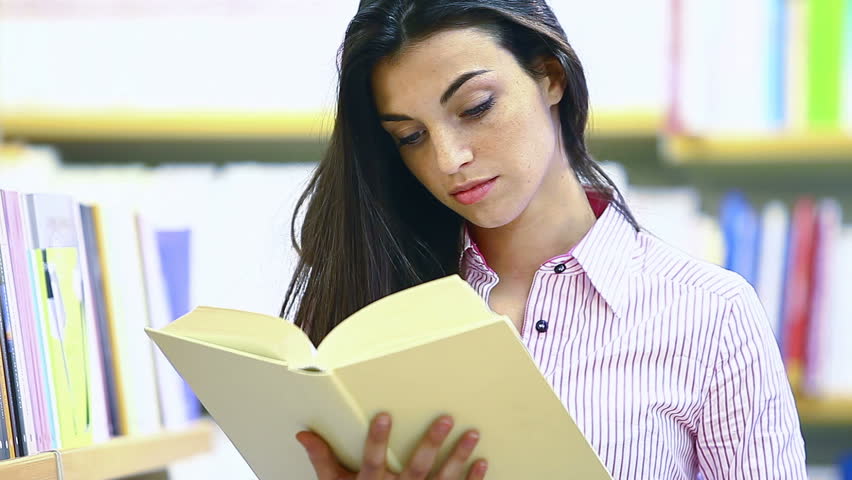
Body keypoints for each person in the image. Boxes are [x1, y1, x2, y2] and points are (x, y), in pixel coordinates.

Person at [281, 1, 808, 478]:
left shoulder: (710, 314)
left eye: (475, 107)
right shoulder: (371, 305)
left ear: (550, 76)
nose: (448, 160)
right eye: (411, 137)